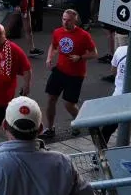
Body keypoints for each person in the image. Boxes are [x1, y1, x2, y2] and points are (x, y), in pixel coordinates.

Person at [40, 9, 98, 140]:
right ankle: (49, 128)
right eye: (64, 19)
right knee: (51, 99)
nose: (65, 22)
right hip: (60, 71)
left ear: (75, 20)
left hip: (76, 74)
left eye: (69, 20)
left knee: (69, 104)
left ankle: (78, 122)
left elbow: (94, 53)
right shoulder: (57, 32)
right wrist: (49, 58)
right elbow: (53, 46)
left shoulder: (83, 35)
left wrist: (80, 57)